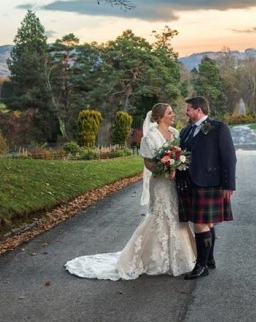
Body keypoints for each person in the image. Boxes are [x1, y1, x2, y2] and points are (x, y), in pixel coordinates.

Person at [64, 103, 196, 280]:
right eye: (169, 113)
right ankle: (153, 259)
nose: (173, 115)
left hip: (174, 183)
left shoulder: (175, 133)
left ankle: (181, 257)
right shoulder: (150, 137)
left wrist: (177, 165)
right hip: (160, 183)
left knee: (176, 214)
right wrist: (165, 168)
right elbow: (148, 163)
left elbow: (180, 155)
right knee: (160, 214)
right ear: (159, 117)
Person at [178, 96, 237, 280]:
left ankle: (201, 266)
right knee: (207, 223)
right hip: (190, 183)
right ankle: (209, 259)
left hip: (210, 182)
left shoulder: (218, 128)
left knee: (200, 224)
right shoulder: (186, 130)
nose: (186, 112)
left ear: (199, 110)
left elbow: (229, 157)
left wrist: (229, 184)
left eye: (189, 109)